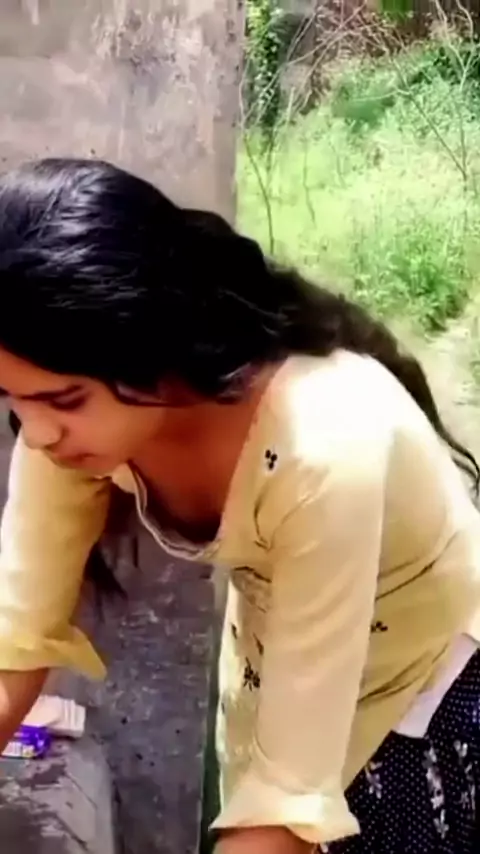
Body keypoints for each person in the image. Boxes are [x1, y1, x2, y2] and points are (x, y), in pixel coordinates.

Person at [0, 158, 479, 854]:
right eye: (13, 399)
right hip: (285, 665)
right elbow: (13, 643)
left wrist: (279, 811)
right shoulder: (78, 426)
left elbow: (283, 808)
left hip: (424, 690)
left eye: (64, 400)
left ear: (155, 342)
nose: (37, 433)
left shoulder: (321, 447)